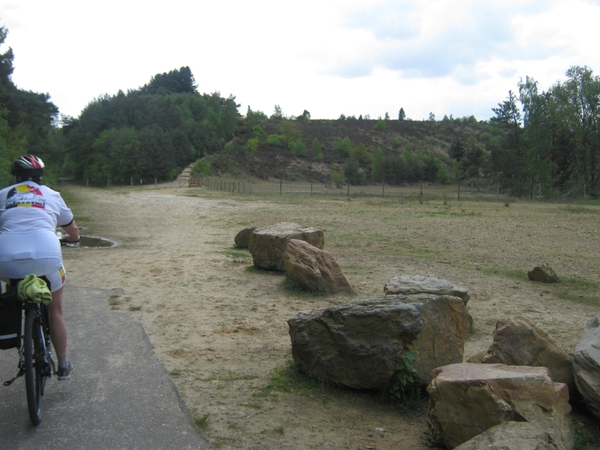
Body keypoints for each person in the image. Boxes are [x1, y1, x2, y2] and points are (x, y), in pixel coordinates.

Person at [0, 155, 79, 380]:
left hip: (6, 259)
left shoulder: (2, 195)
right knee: (55, 310)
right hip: (47, 254)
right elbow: (71, 228)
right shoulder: (52, 195)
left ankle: (6, 313)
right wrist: (74, 239)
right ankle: (63, 365)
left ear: (15, 176)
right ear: (40, 177)